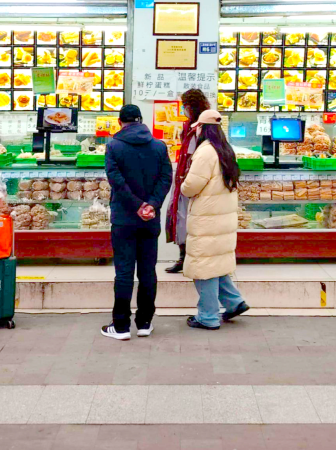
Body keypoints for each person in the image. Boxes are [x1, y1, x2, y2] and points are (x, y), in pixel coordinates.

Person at [101, 104, 173, 340]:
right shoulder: (159, 146)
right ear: (141, 120)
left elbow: (116, 180)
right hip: (150, 219)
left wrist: (135, 205)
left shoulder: (114, 146)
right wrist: (151, 204)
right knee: (147, 271)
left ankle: (121, 326)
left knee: (124, 272)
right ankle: (144, 323)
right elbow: (166, 178)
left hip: (124, 218)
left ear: (119, 122)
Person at [180, 109, 249, 330]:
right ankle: (234, 302)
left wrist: (182, 185)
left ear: (202, 128)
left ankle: (207, 317)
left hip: (207, 219)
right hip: (223, 218)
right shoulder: (225, 150)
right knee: (215, 263)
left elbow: (192, 186)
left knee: (204, 267)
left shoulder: (205, 152)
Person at [165, 89, 211, 274]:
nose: (183, 109)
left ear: (192, 106)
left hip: (197, 178)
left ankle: (194, 259)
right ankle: (183, 257)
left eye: (185, 105)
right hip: (185, 178)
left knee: (195, 220)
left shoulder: (204, 128)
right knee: (181, 218)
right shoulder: (188, 127)